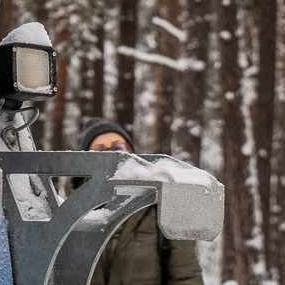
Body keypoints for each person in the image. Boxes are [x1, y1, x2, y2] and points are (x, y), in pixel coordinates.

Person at [80, 119, 203, 285]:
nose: (111, 156)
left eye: (118, 148)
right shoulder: (64, 213)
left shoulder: (162, 208)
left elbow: (186, 277)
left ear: (132, 154)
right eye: (99, 151)